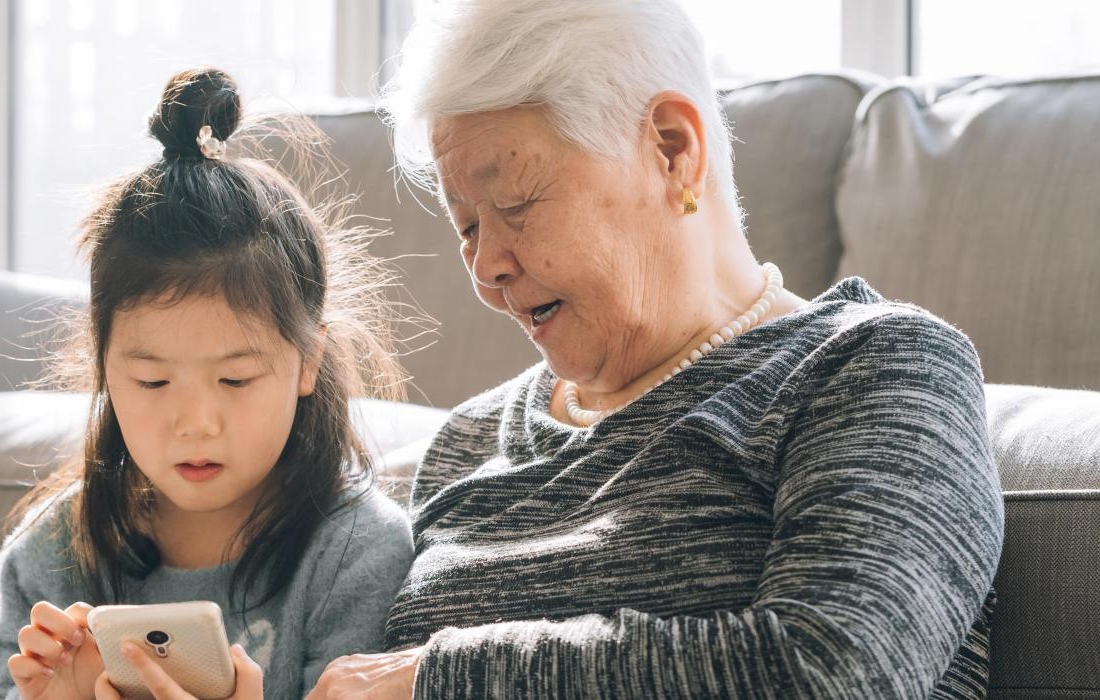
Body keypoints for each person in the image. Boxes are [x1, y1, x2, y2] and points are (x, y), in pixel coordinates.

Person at [305, 1, 1004, 697]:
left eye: (515, 204)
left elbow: (831, 671)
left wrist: (441, 678)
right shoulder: (468, 440)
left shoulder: (878, 369)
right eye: (465, 226)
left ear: (674, 149)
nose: (486, 267)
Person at [0, 67, 416, 700]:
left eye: (235, 379)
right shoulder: (55, 552)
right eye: (153, 382)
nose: (196, 421)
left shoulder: (356, 554)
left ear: (308, 362)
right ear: (104, 369)